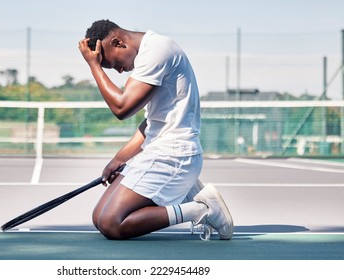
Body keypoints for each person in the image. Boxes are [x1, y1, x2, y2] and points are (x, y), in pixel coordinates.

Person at [78, 19, 233, 240]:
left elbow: (121, 107)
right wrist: (118, 159)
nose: (120, 71)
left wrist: (93, 65)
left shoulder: (157, 51)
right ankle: (190, 191)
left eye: (114, 64)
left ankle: (201, 208)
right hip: (158, 151)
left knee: (112, 223)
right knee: (99, 217)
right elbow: (152, 124)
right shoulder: (149, 54)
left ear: (118, 42)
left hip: (174, 154)